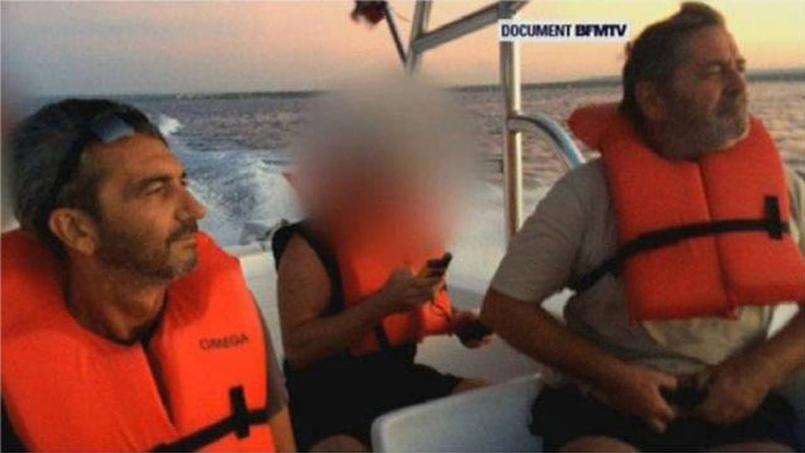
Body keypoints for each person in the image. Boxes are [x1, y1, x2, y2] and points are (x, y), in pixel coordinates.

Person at [481, 3, 804, 452]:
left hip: (737, 402)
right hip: (607, 408)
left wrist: (763, 369)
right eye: (713, 72)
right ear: (653, 100)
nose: (738, 85)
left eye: (740, 68)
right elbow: (504, 308)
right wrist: (613, 377)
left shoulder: (782, 188)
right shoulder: (587, 194)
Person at [1, 99, 295, 452]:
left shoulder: (229, 305)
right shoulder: (10, 378)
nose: (196, 209)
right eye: (155, 190)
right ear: (77, 230)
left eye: (182, 182)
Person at [272, 79, 491, 452]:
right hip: (325, 397)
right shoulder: (307, 244)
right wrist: (382, 305)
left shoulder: (412, 231)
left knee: (489, 405)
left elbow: (426, 308)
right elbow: (299, 349)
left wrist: (459, 323)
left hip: (399, 380)